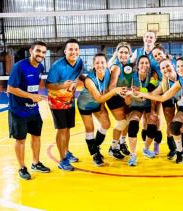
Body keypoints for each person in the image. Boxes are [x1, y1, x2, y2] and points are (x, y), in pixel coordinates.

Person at [7, 41, 50, 180]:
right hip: (19, 111)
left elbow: (32, 87)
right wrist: (31, 96)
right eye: (38, 51)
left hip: (34, 110)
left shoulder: (40, 67)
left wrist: (37, 97)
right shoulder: (19, 66)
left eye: (43, 52)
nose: (41, 54)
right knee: (20, 140)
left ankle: (36, 163)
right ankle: (22, 167)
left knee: (36, 136)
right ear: (31, 51)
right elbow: (11, 89)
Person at [77, 53, 126, 166]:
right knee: (90, 128)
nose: (100, 65)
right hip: (85, 105)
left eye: (102, 62)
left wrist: (103, 107)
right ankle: (95, 155)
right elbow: (99, 98)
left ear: (106, 63)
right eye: (97, 63)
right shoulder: (89, 80)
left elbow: (103, 92)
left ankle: (96, 146)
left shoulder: (108, 72)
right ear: (93, 65)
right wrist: (114, 91)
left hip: (98, 104)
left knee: (106, 124)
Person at [46, 39, 83, 171]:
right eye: (71, 49)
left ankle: (66, 152)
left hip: (70, 101)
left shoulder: (79, 62)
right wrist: (63, 85)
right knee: (61, 130)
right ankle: (62, 160)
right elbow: (48, 85)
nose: (74, 52)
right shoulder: (57, 66)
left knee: (67, 129)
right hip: (57, 102)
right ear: (65, 51)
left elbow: (78, 76)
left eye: (76, 49)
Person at [127, 55, 158, 166]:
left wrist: (153, 111)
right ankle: (133, 155)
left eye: (146, 63)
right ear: (137, 65)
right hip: (136, 105)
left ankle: (146, 149)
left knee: (153, 123)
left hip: (149, 103)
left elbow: (152, 91)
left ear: (149, 65)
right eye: (142, 63)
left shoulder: (153, 76)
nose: (144, 65)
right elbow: (127, 93)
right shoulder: (131, 76)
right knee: (133, 125)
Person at [106, 42, 132, 159]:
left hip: (123, 96)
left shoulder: (128, 66)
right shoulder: (116, 67)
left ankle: (122, 143)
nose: (123, 54)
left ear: (129, 54)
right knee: (122, 122)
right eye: (121, 52)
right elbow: (112, 87)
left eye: (126, 52)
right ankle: (113, 147)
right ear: (117, 53)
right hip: (114, 96)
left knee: (128, 120)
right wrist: (124, 94)